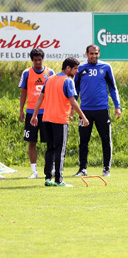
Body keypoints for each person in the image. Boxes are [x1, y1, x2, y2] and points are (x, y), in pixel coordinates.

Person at [30, 57, 90, 187]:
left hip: (46, 118)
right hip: (60, 119)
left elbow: (40, 98)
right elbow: (73, 101)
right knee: (60, 150)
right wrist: (84, 118)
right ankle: (59, 180)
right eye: (75, 69)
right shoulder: (67, 81)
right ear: (68, 68)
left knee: (50, 149)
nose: (76, 71)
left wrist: (35, 115)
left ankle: (48, 178)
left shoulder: (49, 79)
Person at [73, 44, 122, 177]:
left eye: (96, 54)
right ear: (86, 54)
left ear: (99, 54)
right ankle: (82, 169)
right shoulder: (80, 68)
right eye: (91, 54)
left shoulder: (105, 68)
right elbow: (75, 89)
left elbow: (113, 87)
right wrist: (72, 108)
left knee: (106, 140)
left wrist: (117, 106)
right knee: (83, 141)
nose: (94, 56)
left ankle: (106, 169)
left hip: (102, 110)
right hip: (84, 112)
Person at [18, 48, 55, 179]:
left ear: (42, 59)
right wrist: (21, 110)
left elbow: (54, 91)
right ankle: (34, 171)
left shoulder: (50, 72)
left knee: (50, 141)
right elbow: (23, 92)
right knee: (31, 141)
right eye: (35, 60)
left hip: (46, 112)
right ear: (32, 60)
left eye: (40, 60)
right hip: (31, 112)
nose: (38, 62)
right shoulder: (27, 73)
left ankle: (52, 168)